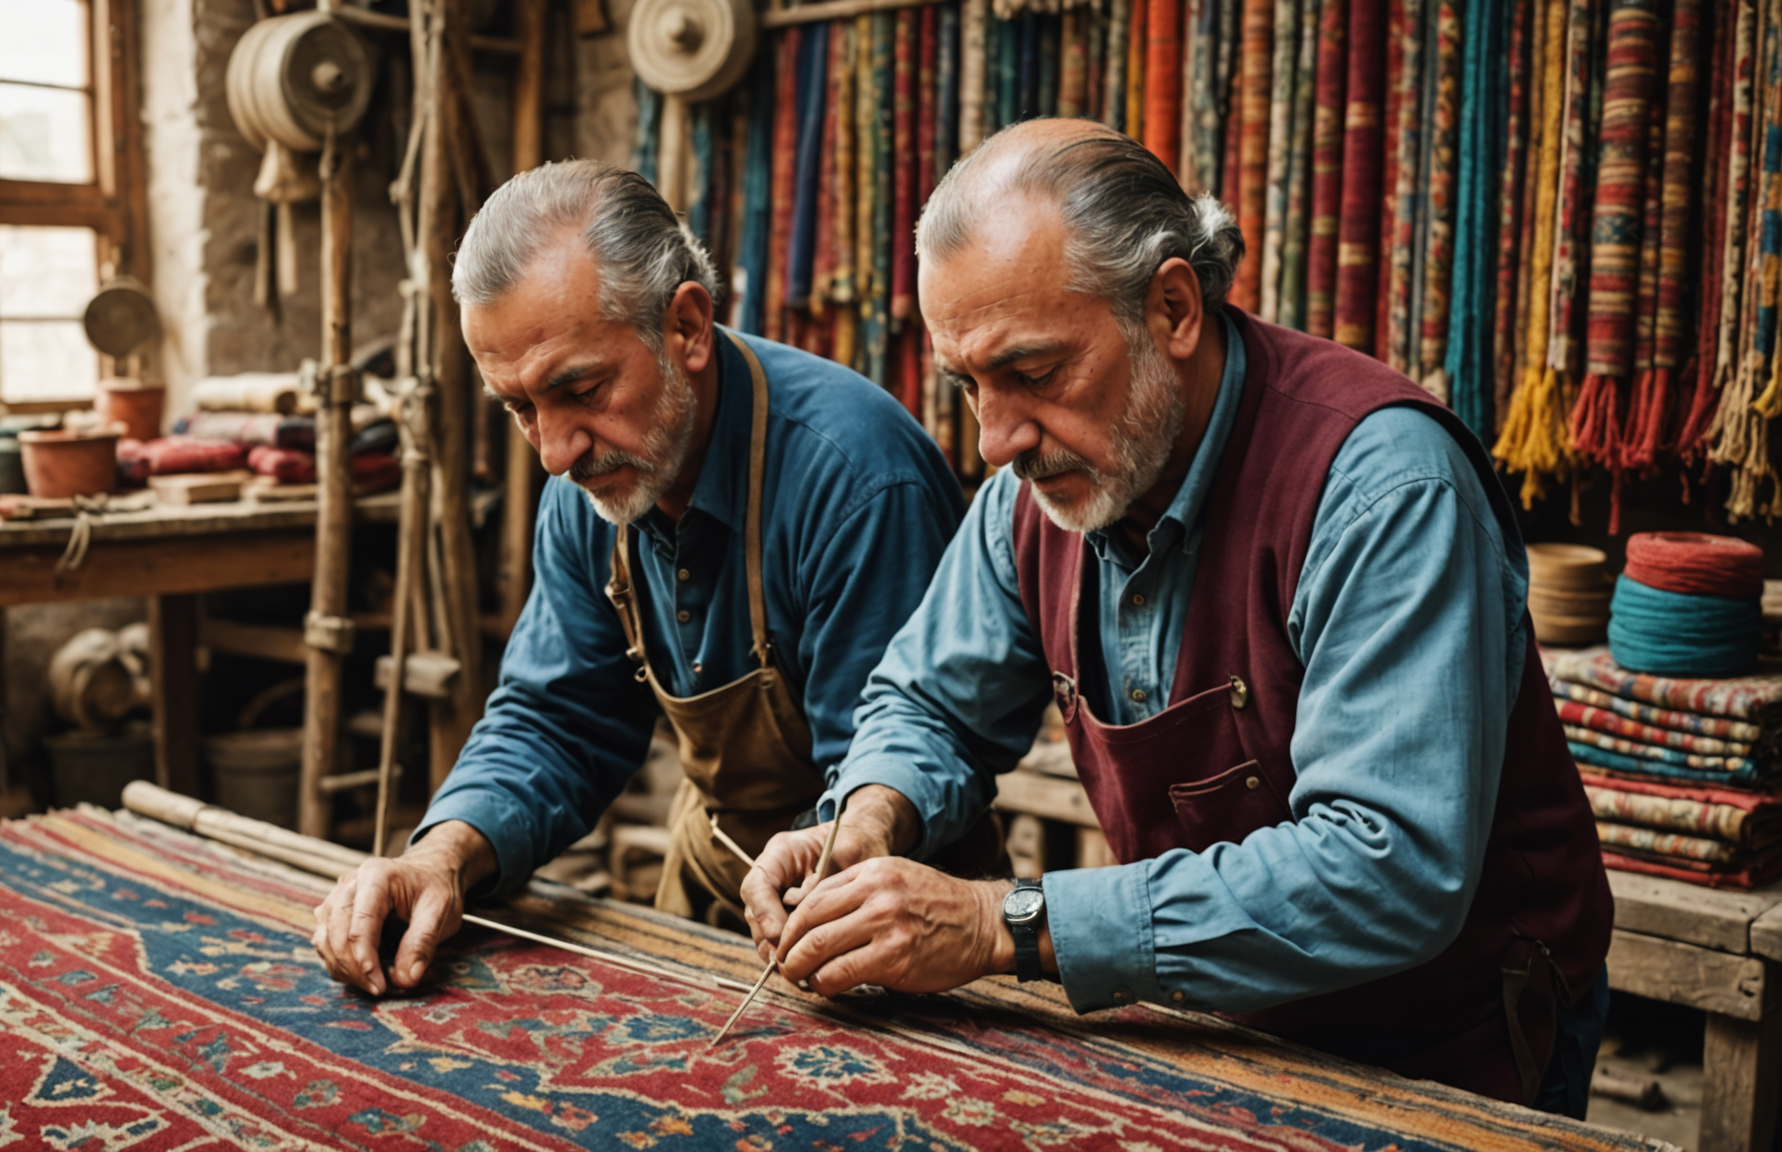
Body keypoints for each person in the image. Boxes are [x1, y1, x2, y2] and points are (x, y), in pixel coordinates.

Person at [740, 121, 1613, 1115]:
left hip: (1443, 1039)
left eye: (1033, 371)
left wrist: (1007, 925)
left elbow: (1390, 866)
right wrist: (869, 818)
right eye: (968, 386)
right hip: (1206, 1020)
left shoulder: (1382, 487)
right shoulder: (1042, 490)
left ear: (1172, 307)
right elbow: (929, 702)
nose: (994, 440)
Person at [312, 160, 979, 998]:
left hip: (893, 916)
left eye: (579, 389)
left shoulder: (858, 479)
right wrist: (441, 854)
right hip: (710, 876)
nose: (554, 451)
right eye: (519, 408)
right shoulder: (590, 485)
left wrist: (843, 861)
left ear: (689, 328)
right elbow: (556, 720)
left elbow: (893, 766)